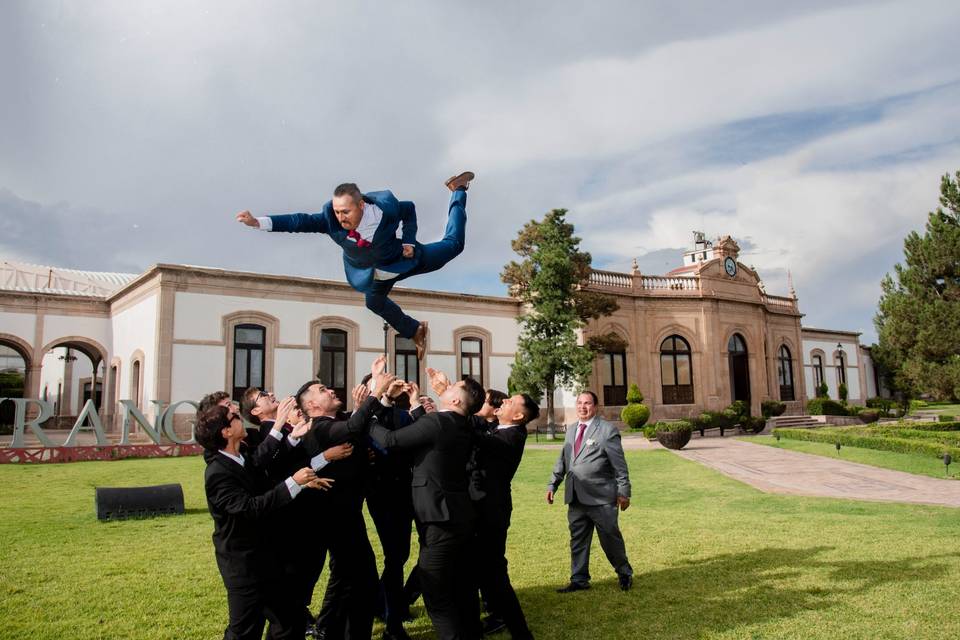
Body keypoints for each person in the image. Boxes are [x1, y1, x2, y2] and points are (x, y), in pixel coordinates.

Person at [235, 173, 475, 359]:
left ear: (361, 206)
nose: (341, 218)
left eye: (346, 212)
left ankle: (458, 190)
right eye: (338, 212)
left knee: (454, 245)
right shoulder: (331, 221)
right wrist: (259, 222)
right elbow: (299, 221)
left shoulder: (386, 210)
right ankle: (415, 330)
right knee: (373, 302)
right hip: (372, 276)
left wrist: (410, 240)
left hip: (403, 260)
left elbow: (409, 209)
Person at [196, 404, 333, 640]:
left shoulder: (241, 457)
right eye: (234, 417)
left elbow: (262, 469)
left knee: (290, 618)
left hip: (267, 559)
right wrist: (294, 482)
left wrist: (302, 480)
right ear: (226, 432)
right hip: (243, 565)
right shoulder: (218, 473)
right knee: (244, 630)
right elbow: (250, 508)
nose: (240, 418)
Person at [368, 375, 486, 640]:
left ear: (455, 399)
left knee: (436, 595)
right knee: (461, 586)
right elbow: (429, 431)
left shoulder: (439, 422)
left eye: (453, 386)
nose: (448, 386)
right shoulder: (462, 424)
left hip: (438, 518)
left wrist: (369, 416)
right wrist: (414, 403)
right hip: (459, 514)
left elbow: (390, 441)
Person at [296, 377, 393, 640]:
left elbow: (354, 431)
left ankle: (330, 628)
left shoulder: (332, 424)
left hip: (347, 513)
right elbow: (351, 427)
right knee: (360, 577)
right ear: (312, 405)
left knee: (349, 575)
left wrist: (372, 403)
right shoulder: (319, 428)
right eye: (322, 390)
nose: (330, 390)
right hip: (336, 517)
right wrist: (375, 393)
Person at [546, 391, 633, 592]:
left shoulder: (607, 431)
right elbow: (563, 460)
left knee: (610, 539)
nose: (582, 407)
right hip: (575, 496)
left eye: (587, 403)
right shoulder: (571, 430)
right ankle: (579, 579)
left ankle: (624, 572)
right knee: (577, 540)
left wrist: (624, 493)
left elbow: (620, 466)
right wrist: (553, 484)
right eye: (579, 403)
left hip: (601, 497)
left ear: (595, 407)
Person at [475, 394, 539, 639]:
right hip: (484, 509)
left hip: (491, 512)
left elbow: (472, 435)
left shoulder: (512, 436)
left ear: (519, 416)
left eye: (510, 402)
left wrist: (453, 398)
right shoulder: (500, 428)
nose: (504, 402)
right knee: (487, 571)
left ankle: (519, 630)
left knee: (494, 573)